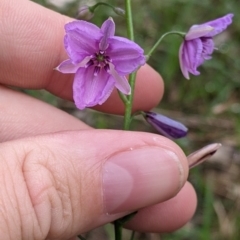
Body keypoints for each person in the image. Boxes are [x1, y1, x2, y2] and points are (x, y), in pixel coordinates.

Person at [0, 0, 197, 239]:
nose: (101, 59)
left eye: (104, 58)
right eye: (99, 58)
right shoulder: (79, 37)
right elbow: (77, 40)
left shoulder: (128, 54)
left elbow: (134, 54)